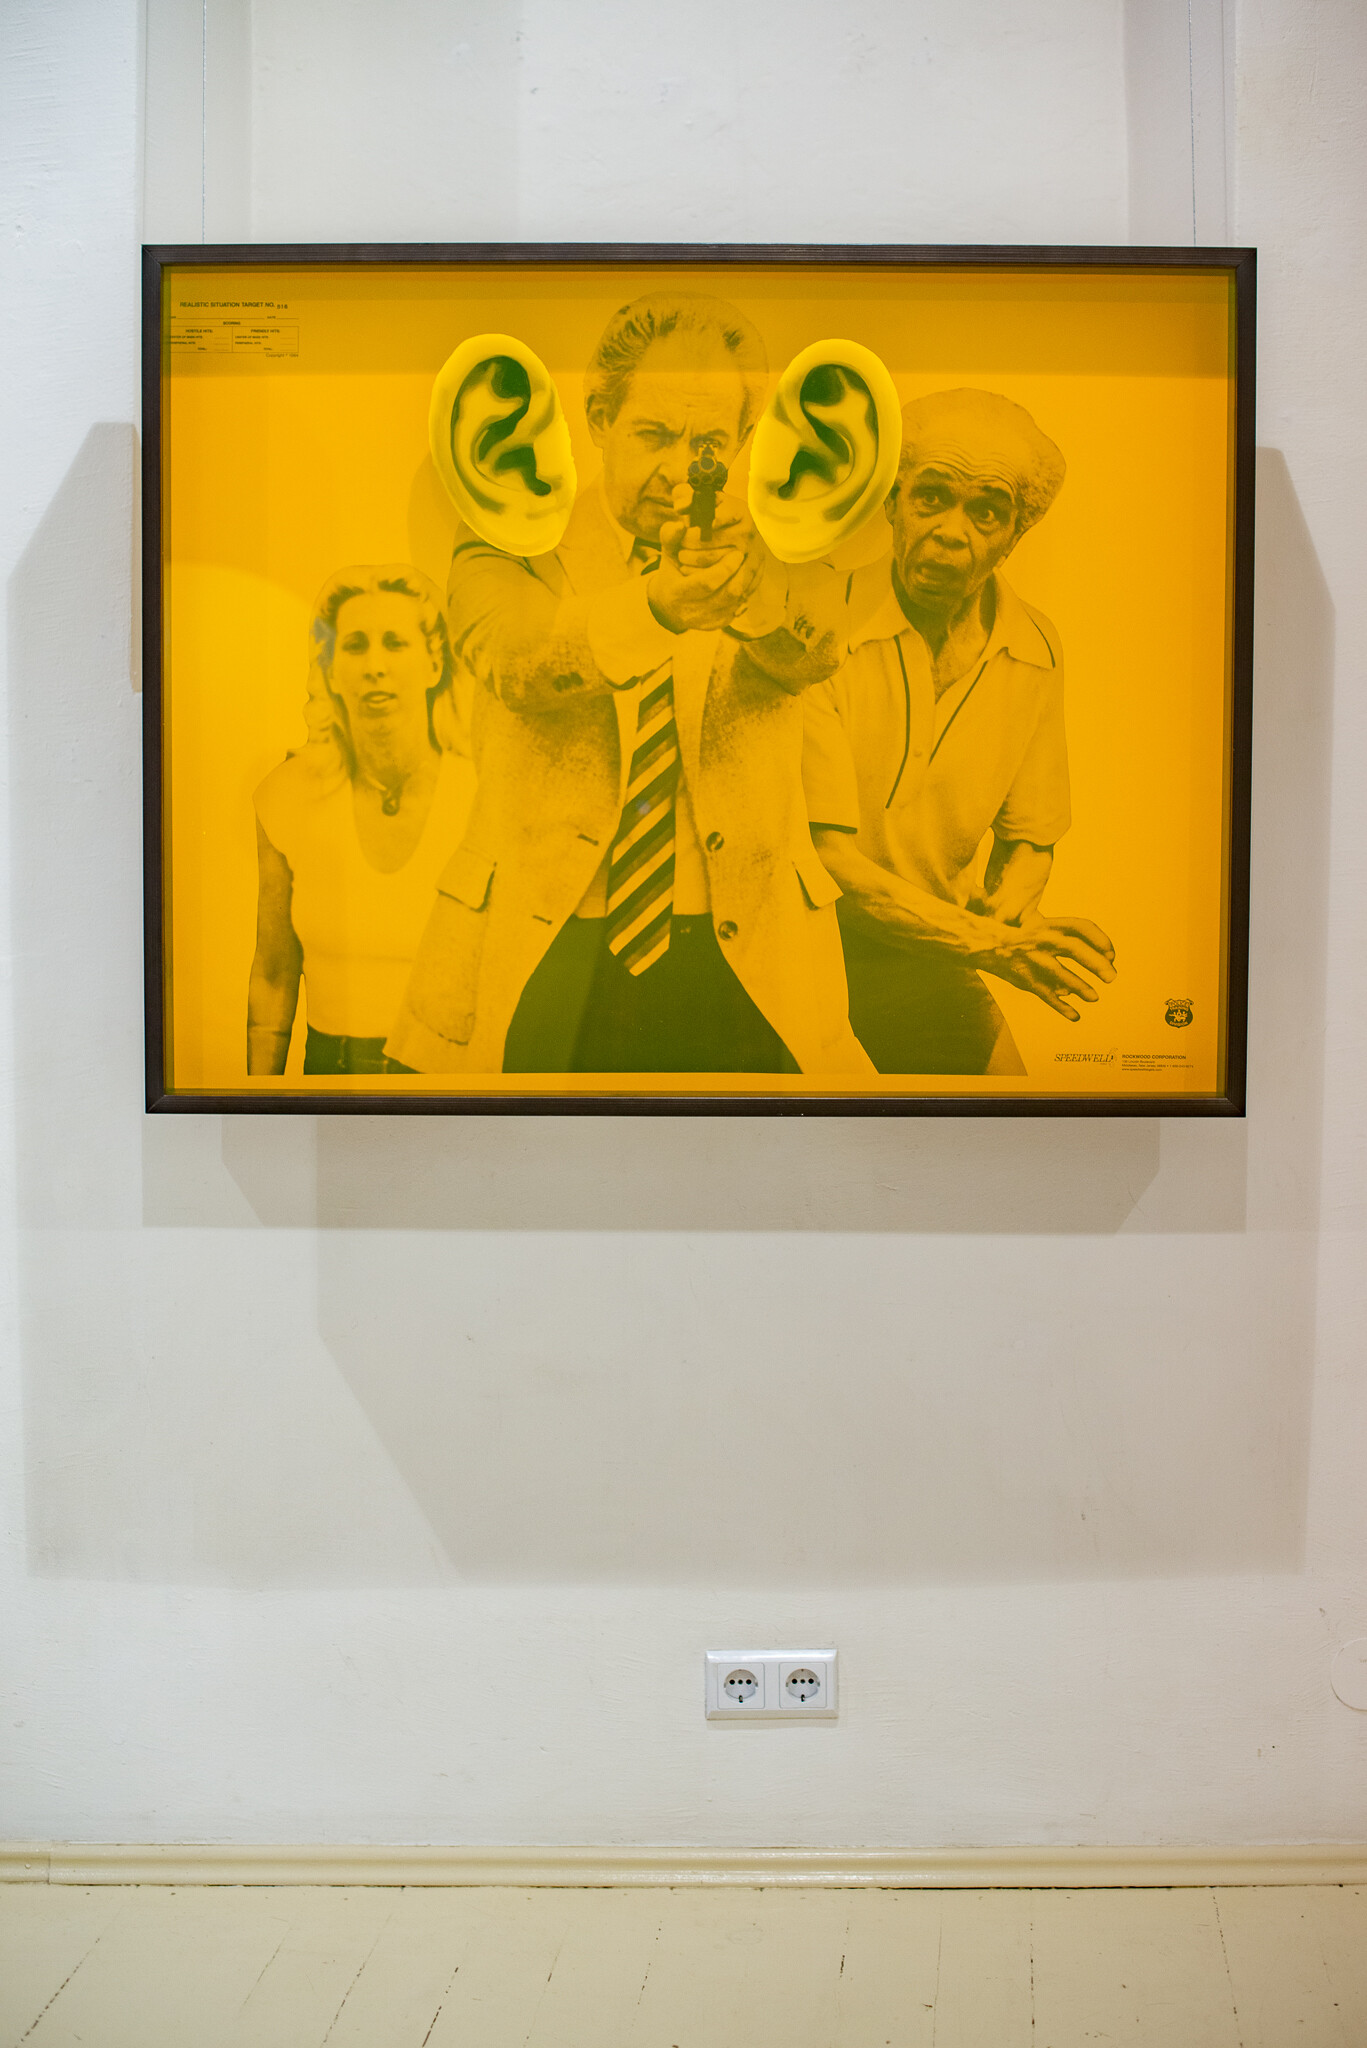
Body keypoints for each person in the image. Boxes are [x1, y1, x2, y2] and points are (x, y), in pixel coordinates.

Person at [386, 292, 872, 1078]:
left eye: (708, 441)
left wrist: (750, 585)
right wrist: (654, 608)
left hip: (746, 960)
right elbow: (513, 661)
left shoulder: (778, 548)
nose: (680, 470)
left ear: (742, 440)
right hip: (545, 948)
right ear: (599, 419)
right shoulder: (507, 539)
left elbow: (814, 651)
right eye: (653, 435)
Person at [802, 388, 1117, 1075]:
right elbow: (823, 859)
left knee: (1015, 1115)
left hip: (931, 951)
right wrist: (991, 945)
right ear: (891, 502)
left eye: (986, 511)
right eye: (931, 497)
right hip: (798, 952)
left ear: (1015, 535)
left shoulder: (1035, 647)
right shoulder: (817, 624)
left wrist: (1011, 916)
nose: (951, 531)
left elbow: (1031, 839)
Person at [247, 565, 476, 1076]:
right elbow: (273, 973)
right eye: (354, 646)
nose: (375, 666)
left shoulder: (483, 794)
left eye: (395, 643)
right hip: (331, 1074)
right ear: (330, 670)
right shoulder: (288, 795)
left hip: (454, 1081)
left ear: (434, 662)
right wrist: (257, 1101)